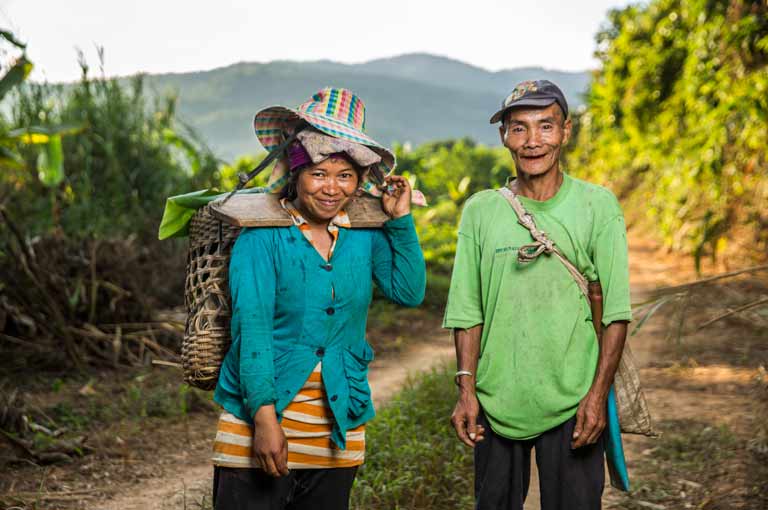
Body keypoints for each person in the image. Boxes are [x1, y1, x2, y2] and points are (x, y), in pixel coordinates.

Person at [211, 87, 426, 510]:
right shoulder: (262, 238)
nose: (332, 188)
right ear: (296, 174)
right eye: (319, 174)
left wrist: (400, 220)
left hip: (337, 425)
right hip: (260, 420)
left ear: (359, 181)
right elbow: (252, 331)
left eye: (345, 175)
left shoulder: (362, 236)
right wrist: (265, 420)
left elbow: (408, 290)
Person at [444, 80, 632, 510]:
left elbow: (616, 313)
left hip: (574, 399)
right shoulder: (481, 210)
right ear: (504, 136)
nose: (532, 141)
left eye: (545, 126)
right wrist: (466, 390)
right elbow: (467, 310)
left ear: (565, 131)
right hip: (495, 399)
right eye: (519, 128)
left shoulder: (597, 206)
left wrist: (596, 396)